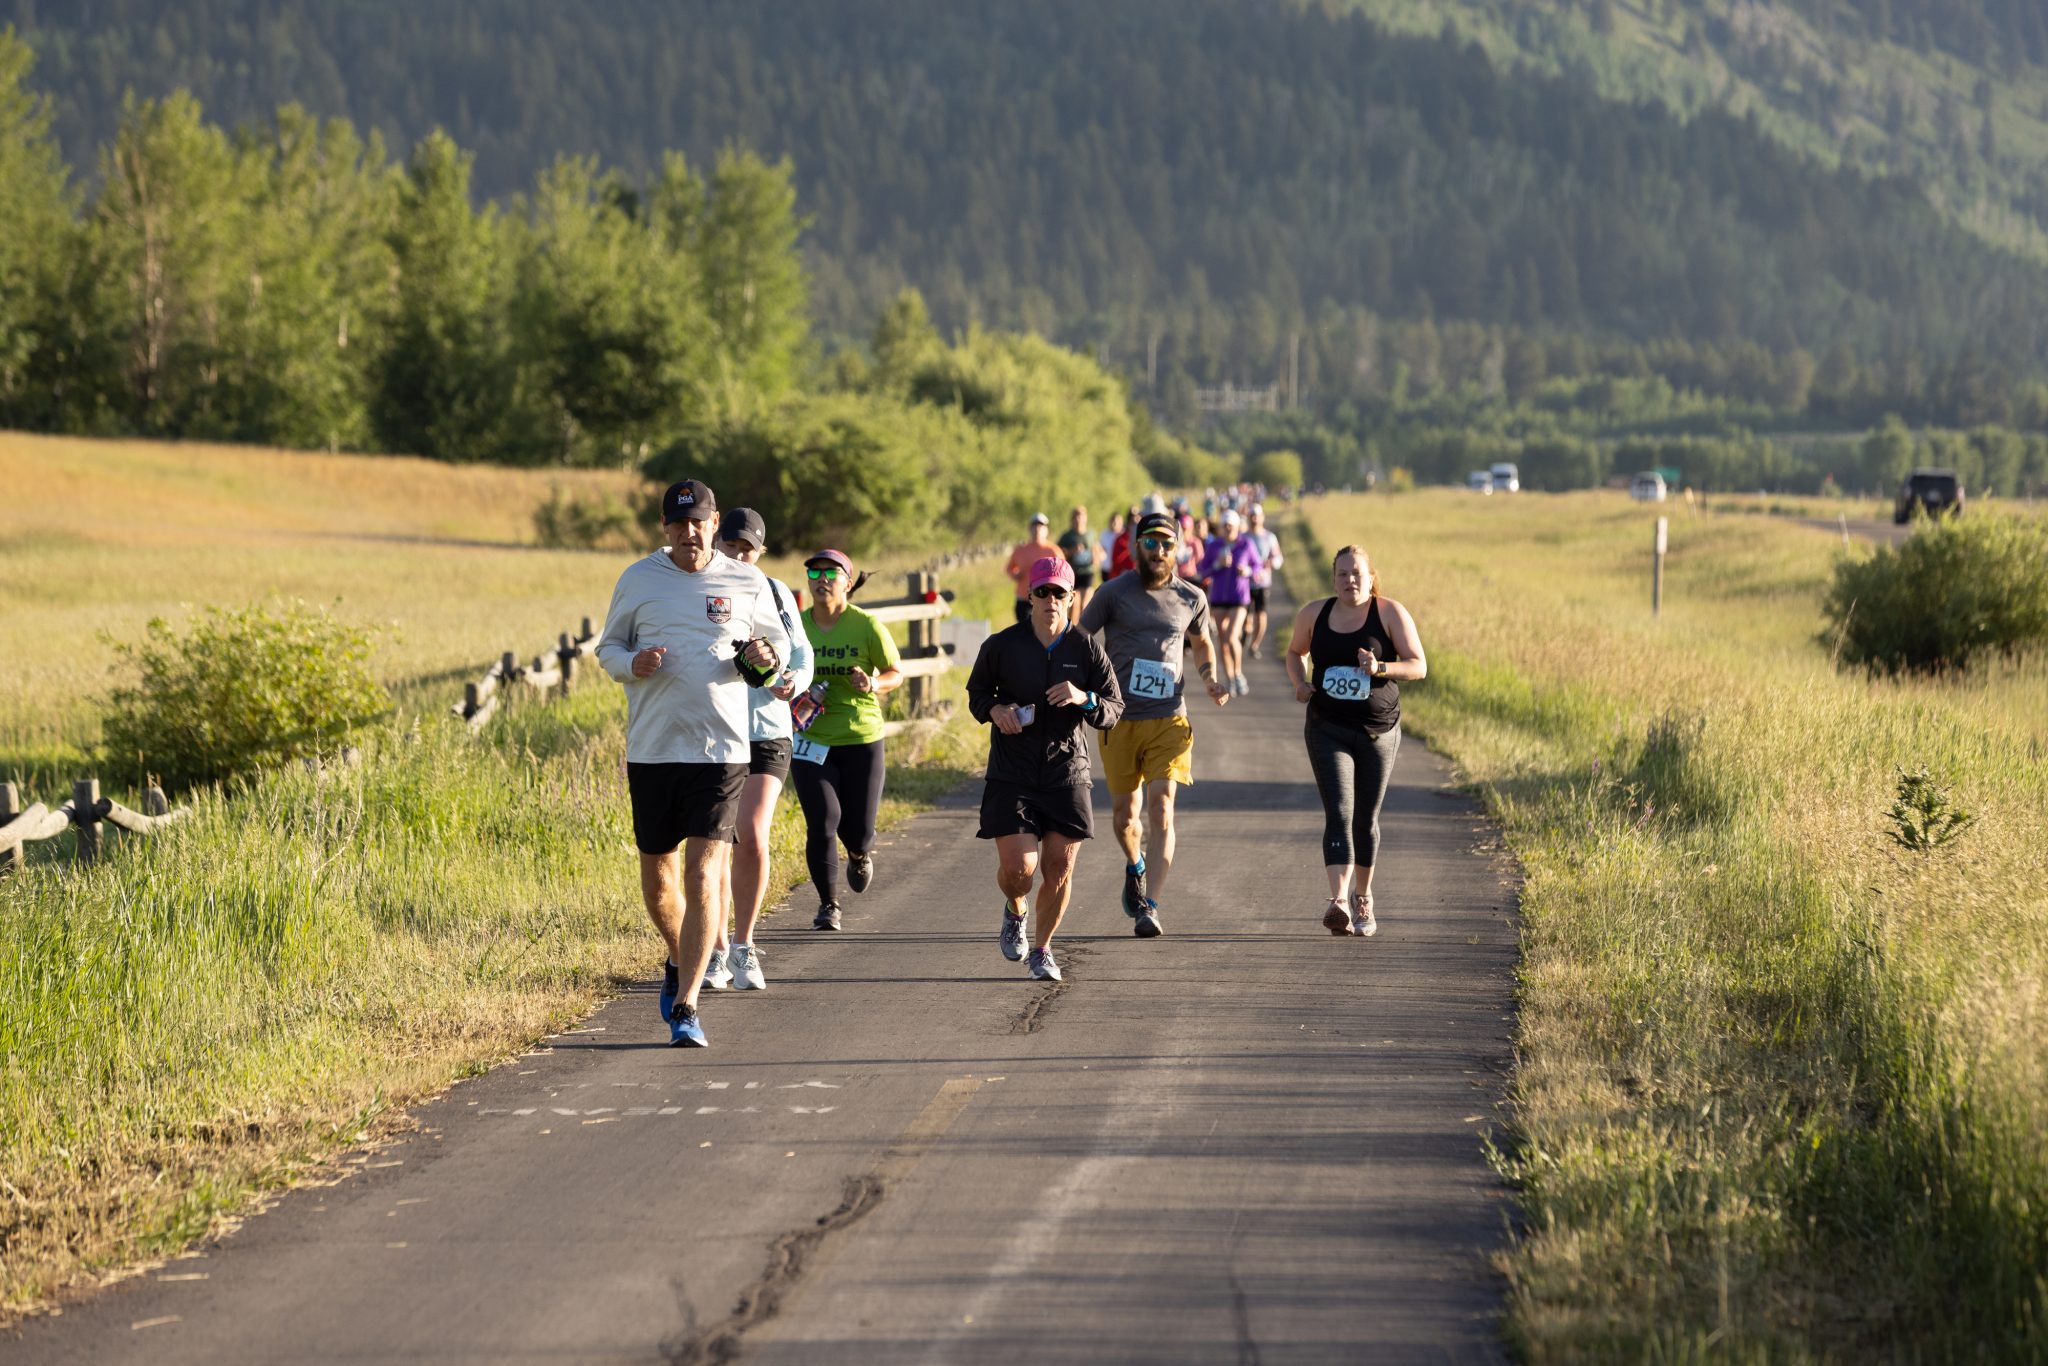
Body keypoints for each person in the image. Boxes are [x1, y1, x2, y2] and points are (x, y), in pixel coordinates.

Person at [596, 479, 790, 1047]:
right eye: (678, 524)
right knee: (659, 883)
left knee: (704, 874)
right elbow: (607, 649)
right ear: (665, 528)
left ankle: (686, 1005)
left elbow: (774, 658)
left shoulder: (747, 581)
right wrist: (633, 662)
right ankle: (680, 957)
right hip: (653, 750)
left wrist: (765, 657)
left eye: (698, 523)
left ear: (714, 523)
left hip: (722, 751)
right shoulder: (638, 579)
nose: (689, 533)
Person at [966, 555, 1123, 981]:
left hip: (1066, 772)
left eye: (1059, 593)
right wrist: (996, 710)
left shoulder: (1086, 648)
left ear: (1072, 598)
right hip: (1012, 771)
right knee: (1020, 872)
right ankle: (1015, 909)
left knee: (1059, 869)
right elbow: (977, 694)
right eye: (1042, 592)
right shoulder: (1002, 645)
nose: (1051, 600)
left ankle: (1042, 949)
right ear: (1029, 597)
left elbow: (1113, 709)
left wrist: (1084, 698)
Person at [1080, 509, 1229, 937]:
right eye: (1151, 543)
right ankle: (1136, 864)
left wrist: (1209, 678)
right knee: (1126, 818)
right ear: (1136, 545)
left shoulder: (1191, 598)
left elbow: (1201, 643)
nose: (1159, 551)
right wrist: (1082, 688)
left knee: (1162, 808)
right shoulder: (1112, 593)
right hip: (1119, 720)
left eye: (1166, 544)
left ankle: (1151, 905)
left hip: (1170, 718)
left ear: (1177, 549)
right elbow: (1081, 638)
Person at [1283, 543, 1427, 937]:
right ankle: (1339, 901)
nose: (1350, 581)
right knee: (1340, 812)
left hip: (1379, 730)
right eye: (1343, 574)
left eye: (1357, 574)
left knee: (1365, 818)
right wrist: (1299, 683)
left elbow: (1419, 665)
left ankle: (1364, 897)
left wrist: (1380, 666)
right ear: (1334, 579)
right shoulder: (1315, 613)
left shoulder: (1390, 613)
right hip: (1327, 726)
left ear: (1371, 577)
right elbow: (1295, 652)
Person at [701, 507, 813, 993]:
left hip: (768, 728)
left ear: (761, 551)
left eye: (749, 549)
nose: (740, 556)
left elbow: (802, 652)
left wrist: (792, 681)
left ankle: (745, 943)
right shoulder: (701, 590)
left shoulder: (775, 592)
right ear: (717, 544)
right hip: (715, 729)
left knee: (751, 831)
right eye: (732, 546)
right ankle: (717, 947)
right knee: (716, 842)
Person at [794, 548, 903, 931]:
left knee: (857, 828)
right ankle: (828, 905)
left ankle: (858, 853)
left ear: (848, 582)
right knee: (822, 821)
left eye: (830, 573)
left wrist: (872, 683)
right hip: (810, 738)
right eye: (814, 573)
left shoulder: (866, 626)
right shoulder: (796, 626)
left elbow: (895, 673)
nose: (821, 579)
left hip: (861, 737)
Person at [1201, 508, 1264, 695]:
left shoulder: (1246, 544)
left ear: (1237, 526)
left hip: (1239, 598)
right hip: (1219, 598)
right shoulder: (1214, 546)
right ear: (1221, 527)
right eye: (1225, 526)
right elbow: (1203, 570)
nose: (1228, 529)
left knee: (1231, 636)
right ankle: (1229, 678)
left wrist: (1248, 572)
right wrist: (1218, 565)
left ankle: (1238, 673)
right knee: (1222, 641)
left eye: (1231, 526)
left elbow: (1258, 566)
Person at [1242, 503, 1284, 661]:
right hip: (1245, 583)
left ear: (1262, 518)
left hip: (1263, 583)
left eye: (1256, 516)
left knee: (1261, 615)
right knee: (1246, 616)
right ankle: (1246, 634)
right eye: (1251, 515)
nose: (1254, 519)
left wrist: (1271, 563)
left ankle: (1255, 644)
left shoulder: (1269, 537)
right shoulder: (1243, 537)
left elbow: (1279, 558)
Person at [1004, 512, 1057, 625]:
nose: (1037, 528)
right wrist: (1015, 574)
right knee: (1024, 633)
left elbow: (1062, 573)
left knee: (1042, 631)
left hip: (1044, 598)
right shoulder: (1021, 550)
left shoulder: (1053, 551)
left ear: (1046, 529)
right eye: (1034, 525)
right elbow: (1009, 568)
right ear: (1029, 528)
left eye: (1041, 525)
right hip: (1023, 597)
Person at [1056, 505, 1099, 622]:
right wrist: (1071, 551)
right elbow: (1058, 554)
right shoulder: (1067, 536)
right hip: (1072, 573)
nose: (1078, 519)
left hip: (1087, 572)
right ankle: (1072, 628)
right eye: (1075, 517)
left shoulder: (1091, 534)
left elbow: (1096, 549)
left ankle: (1082, 630)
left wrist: (1095, 558)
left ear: (1085, 518)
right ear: (1072, 519)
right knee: (1073, 604)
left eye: (1081, 516)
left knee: (1085, 604)